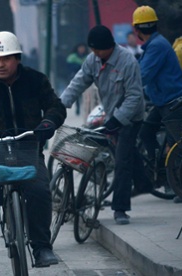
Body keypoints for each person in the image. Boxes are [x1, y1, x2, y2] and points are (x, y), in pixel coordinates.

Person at [0, 31, 66, 267]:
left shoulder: (36, 80)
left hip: (28, 144)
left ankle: (41, 248)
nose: (0, 64)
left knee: (39, 192)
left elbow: (55, 106)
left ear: (17, 58)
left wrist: (47, 123)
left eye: (6, 58)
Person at [60, 25, 145, 225]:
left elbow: (134, 96)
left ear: (110, 47)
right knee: (127, 153)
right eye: (93, 50)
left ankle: (120, 208)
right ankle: (144, 183)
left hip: (131, 117)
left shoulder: (127, 62)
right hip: (111, 114)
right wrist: (60, 104)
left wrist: (118, 119)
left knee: (122, 162)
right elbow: (78, 83)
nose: (95, 54)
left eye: (98, 50)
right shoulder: (93, 60)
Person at [132, 5, 182, 203]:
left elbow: (143, 75)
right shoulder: (154, 44)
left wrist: (128, 92)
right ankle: (161, 171)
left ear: (136, 30)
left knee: (179, 146)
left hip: (174, 102)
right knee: (146, 133)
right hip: (163, 100)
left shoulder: (156, 46)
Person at [66, 43, 89, 115]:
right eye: (80, 48)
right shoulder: (72, 57)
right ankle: (78, 107)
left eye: (83, 48)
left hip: (86, 78)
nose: (81, 49)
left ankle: (84, 107)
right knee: (76, 93)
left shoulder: (88, 57)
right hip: (74, 77)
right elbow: (70, 67)